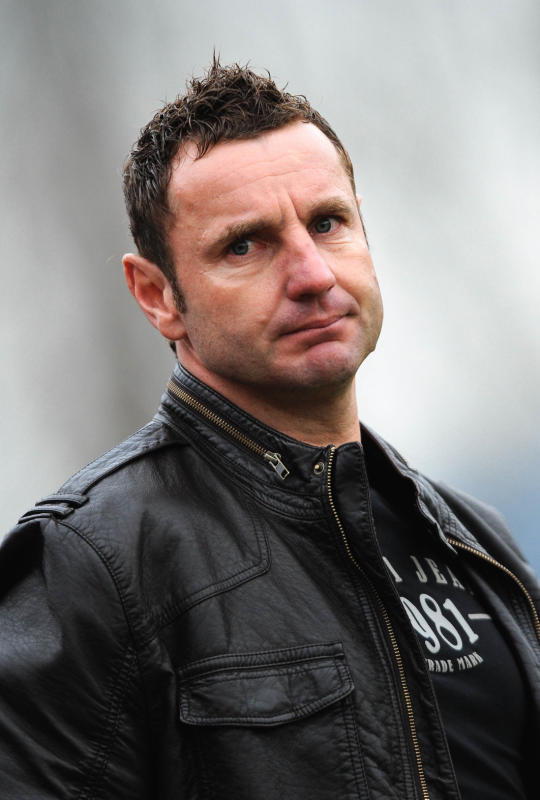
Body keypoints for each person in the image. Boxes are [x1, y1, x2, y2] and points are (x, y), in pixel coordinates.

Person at [0, 59, 538, 800]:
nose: (313, 275)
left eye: (327, 223)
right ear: (158, 296)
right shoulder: (94, 565)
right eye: (245, 245)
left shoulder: (476, 543)